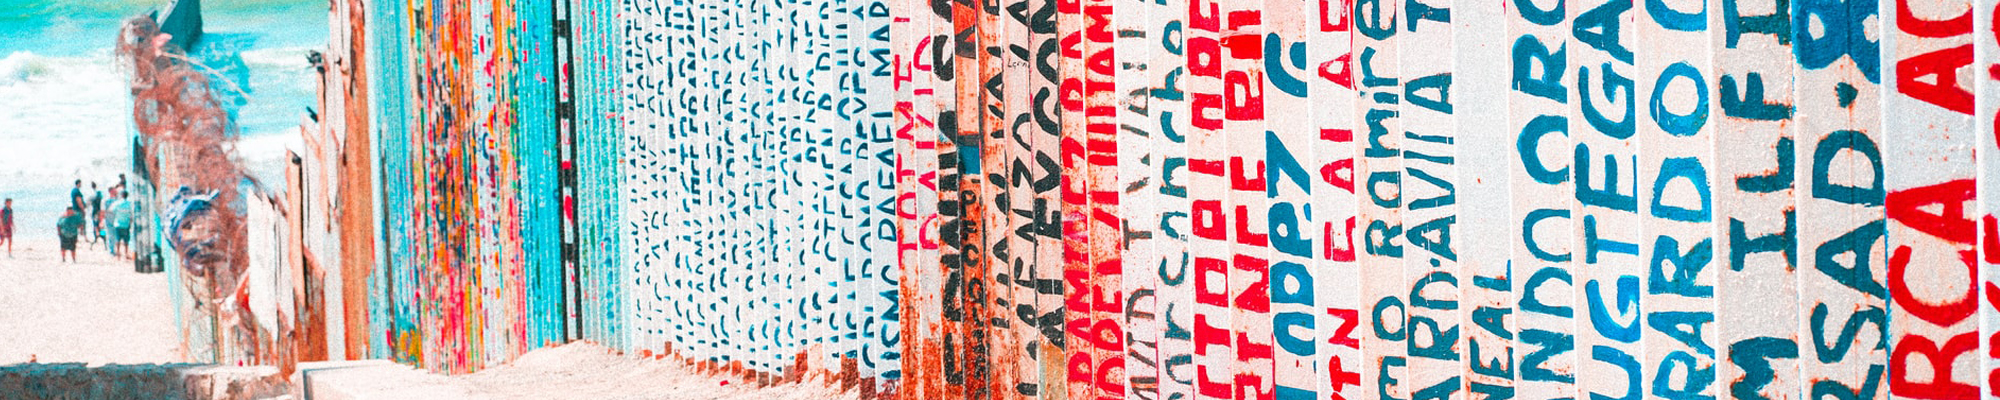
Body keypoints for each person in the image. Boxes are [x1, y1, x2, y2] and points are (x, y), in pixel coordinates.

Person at [88, 183, 104, 248]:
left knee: (95, 225)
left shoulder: (92, 194)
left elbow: (88, 203)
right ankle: (102, 236)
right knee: (100, 224)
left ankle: (96, 237)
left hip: (94, 211)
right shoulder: (99, 193)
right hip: (99, 211)